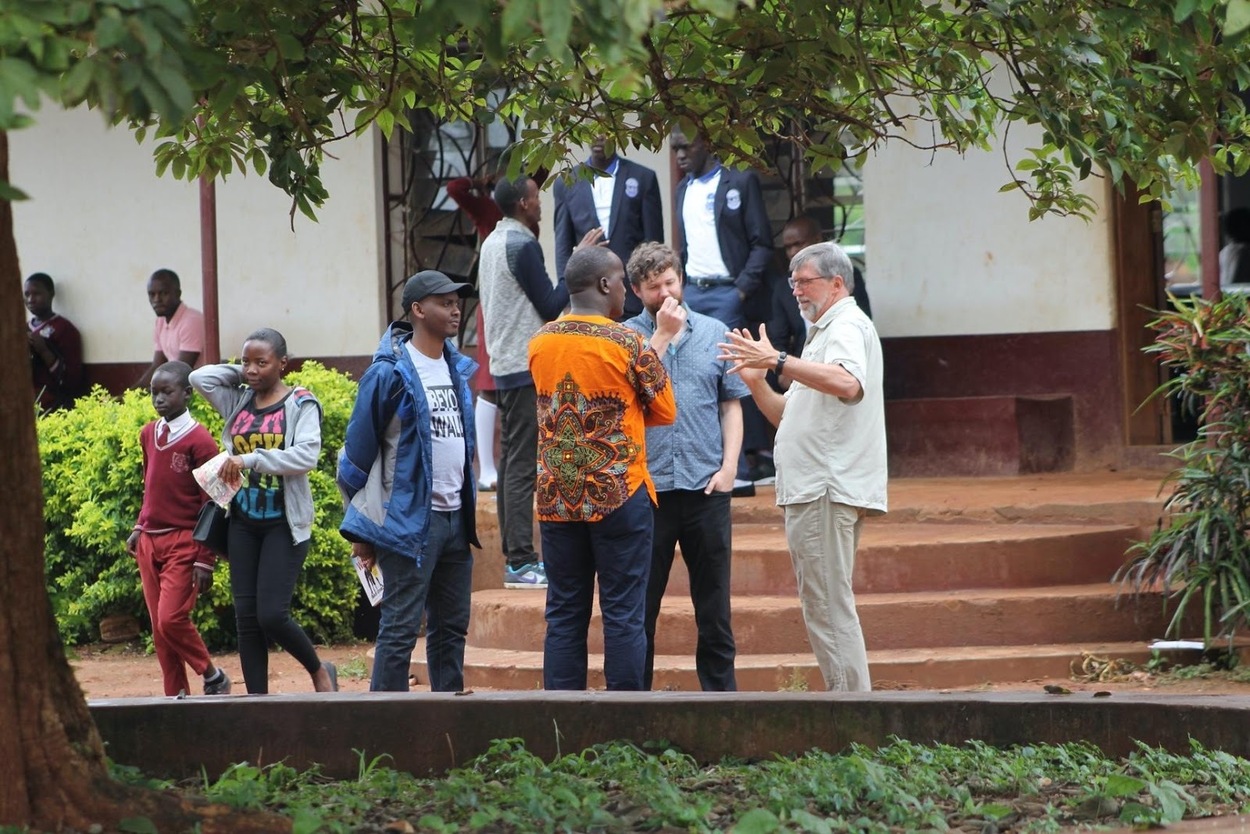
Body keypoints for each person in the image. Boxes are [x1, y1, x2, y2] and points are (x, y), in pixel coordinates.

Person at [718, 241, 887, 692]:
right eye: (792, 283)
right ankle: (851, 709)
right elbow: (784, 417)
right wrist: (757, 380)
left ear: (836, 283)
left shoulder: (846, 324)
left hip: (824, 487)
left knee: (828, 606)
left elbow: (849, 384)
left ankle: (853, 718)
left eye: (804, 281)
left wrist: (776, 359)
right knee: (826, 603)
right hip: (816, 486)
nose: (795, 292)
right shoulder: (821, 334)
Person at [529, 246, 680, 691]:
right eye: (620, 283)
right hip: (619, 493)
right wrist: (663, 339)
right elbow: (665, 409)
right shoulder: (629, 342)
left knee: (563, 613)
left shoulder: (540, 342)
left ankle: (561, 727)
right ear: (603, 285)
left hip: (557, 495)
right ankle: (623, 733)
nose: (626, 297)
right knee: (623, 615)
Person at [338, 270, 480, 692]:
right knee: (399, 629)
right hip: (407, 523)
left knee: (451, 629)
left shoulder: (457, 368)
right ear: (417, 310)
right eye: (444, 302)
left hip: (457, 519)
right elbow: (355, 460)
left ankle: (446, 722)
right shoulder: (389, 374)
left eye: (458, 301)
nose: (455, 309)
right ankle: (385, 735)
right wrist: (361, 529)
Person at [623, 243, 747, 692]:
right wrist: (660, 335)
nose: (665, 292)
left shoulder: (715, 331)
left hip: (706, 488)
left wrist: (730, 466)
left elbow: (730, 405)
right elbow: (624, 402)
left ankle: (722, 704)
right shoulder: (627, 338)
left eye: (670, 281)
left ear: (682, 278)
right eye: (654, 287)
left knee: (714, 608)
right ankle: (635, 707)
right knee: (640, 608)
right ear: (637, 291)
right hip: (648, 492)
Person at [190, 329, 338, 695]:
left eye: (262, 362)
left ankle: (319, 669)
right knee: (246, 620)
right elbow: (198, 378)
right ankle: (256, 701)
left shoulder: (301, 404)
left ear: (283, 364)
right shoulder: (238, 401)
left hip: (283, 525)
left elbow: (306, 456)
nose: (252, 369)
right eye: (246, 361)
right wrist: (245, 373)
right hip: (241, 521)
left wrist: (251, 459)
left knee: (271, 614)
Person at [477, 175, 598, 589]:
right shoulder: (523, 245)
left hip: (503, 361)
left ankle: (516, 558)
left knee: (512, 462)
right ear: (525, 203)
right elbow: (550, 305)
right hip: (524, 364)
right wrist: (578, 259)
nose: (541, 203)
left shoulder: (493, 242)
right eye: (536, 197)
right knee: (522, 466)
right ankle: (521, 562)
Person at [671, 127, 773, 497]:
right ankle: (717, 466)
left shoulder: (740, 181)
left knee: (732, 376)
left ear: (707, 143)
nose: (680, 155)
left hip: (729, 292)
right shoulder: (682, 189)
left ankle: (743, 470)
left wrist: (740, 291)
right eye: (674, 149)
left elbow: (762, 243)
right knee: (699, 375)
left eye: (686, 146)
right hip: (693, 294)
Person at [126, 360, 230, 697]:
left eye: (166, 392)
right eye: (154, 392)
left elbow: (214, 502)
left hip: (184, 542)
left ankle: (212, 674)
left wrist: (205, 560)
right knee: (159, 630)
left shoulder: (201, 442)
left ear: (187, 393)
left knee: (171, 618)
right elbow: (150, 486)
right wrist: (140, 526)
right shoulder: (147, 433)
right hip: (149, 542)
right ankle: (176, 696)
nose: (158, 399)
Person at [553, 137, 664, 320]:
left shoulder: (643, 177)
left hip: (633, 297)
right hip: (587, 301)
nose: (598, 137)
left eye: (605, 131)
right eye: (592, 131)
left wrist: (652, 291)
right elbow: (563, 245)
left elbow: (654, 243)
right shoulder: (567, 182)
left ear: (616, 134)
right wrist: (567, 299)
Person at [446, 175, 504, 491]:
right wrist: (479, 181)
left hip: (521, 306)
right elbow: (453, 188)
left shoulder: (523, 208)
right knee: (488, 383)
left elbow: (538, 175)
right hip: (494, 302)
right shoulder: (487, 208)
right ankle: (486, 469)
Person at [24, 272, 84, 411]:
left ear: (51, 294)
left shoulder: (64, 329)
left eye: (37, 293)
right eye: (27, 294)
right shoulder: (23, 329)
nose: (31, 299)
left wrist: (44, 350)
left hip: (52, 404)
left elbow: (72, 380)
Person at [137, 269, 205, 389]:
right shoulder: (160, 322)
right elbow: (157, 366)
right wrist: (130, 394)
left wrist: (147, 393)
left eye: (163, 293)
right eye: (152, 294)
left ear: (178, 294)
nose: (156, 300)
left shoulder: (191, 320)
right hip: (174, 389)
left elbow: (181, 372)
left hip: (198, 391)